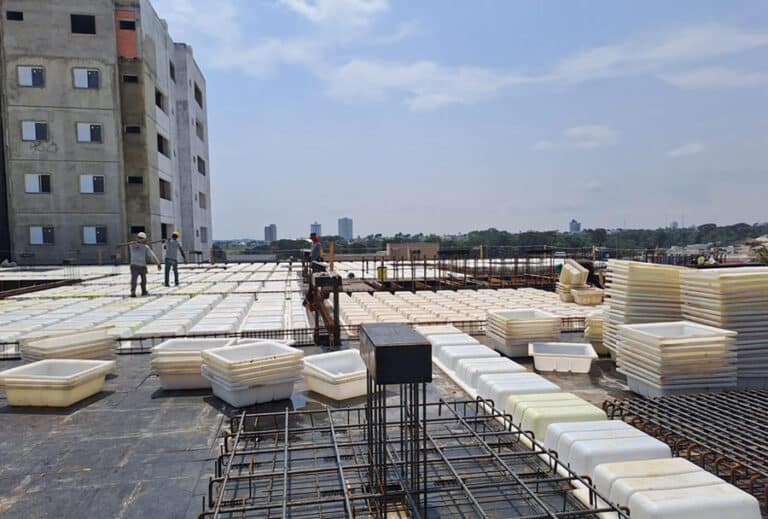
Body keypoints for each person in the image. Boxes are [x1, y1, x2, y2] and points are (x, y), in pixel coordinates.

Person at [129, 232, 161, 297]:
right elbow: (152, 255)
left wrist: (158, 263)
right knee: (135, 279)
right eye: (139, 238)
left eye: (141, 238)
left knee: (142, 280)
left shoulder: (144, 246)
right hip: (135, 265)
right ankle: (134, 292)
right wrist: (158, 263)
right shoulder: (133, 245)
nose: (140, 239)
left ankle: (142, 291)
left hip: (141, 265)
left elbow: (152, 255)